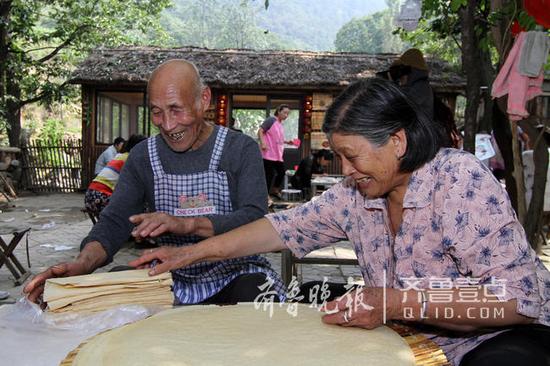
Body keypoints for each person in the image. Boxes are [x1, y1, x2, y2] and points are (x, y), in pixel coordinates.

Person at [129, 78, 550, 366]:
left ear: (397, 141)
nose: (345, 169)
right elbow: (278, 229)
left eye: (353, 156)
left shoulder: (458, 180)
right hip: (413, 335)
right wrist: (189, 253)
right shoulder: (355, 195)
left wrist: (392, 302)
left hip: (493, 336)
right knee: (304, 308)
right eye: (339, 156)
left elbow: (519, 300)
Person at [24, 59, 284, 306]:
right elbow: (115, 221)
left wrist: (187, 224)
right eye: (157, 112)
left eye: (176, 109)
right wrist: (82, 265)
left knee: (258, 295)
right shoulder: (142, 156)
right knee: (115, 285)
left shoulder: (240, 149)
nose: (168, 125)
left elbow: (254, 219)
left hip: (237, 271)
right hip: (170, 274)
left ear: (203, 99)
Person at [84, 134, 147, 218]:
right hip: (101, 197)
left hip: (91, 195)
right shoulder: (131, 159)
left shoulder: (121, 155)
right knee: (142, 208)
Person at [258, 104, 294, 199]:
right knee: (269, 175)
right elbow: (260, 131)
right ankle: (265, 195)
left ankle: (274, 189)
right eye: (285, 113)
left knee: (281, 173)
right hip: (268, 154)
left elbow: (277, 139)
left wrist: (287, 142)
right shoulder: (271, 120)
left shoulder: (280, 124)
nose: (286, 115)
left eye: (288, 114)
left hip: (277, 155)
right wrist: (263, 143)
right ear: (278, 111)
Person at [387, 48, 434, 120]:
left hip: (420, 129)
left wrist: (392, 84)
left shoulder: (422, 87)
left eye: (403, 68)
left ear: (412, 70)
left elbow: (400, 105)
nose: (402, 72)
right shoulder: (416, 85)